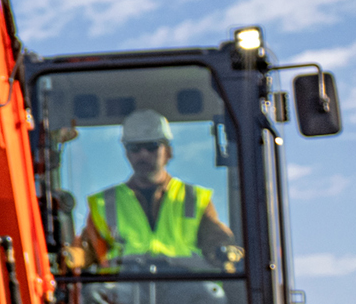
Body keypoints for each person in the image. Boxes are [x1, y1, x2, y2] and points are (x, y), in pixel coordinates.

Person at [76, 108, 236, 270]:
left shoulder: (193, 199)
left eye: (152, 146)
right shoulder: (105, 203)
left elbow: (216, 242)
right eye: (135, 148)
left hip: (186, 286)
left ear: (168, 151)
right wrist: (71, 256)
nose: (143, 154)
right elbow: (88, 250)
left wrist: (226, 251)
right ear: (126, 153)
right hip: (123, 290)